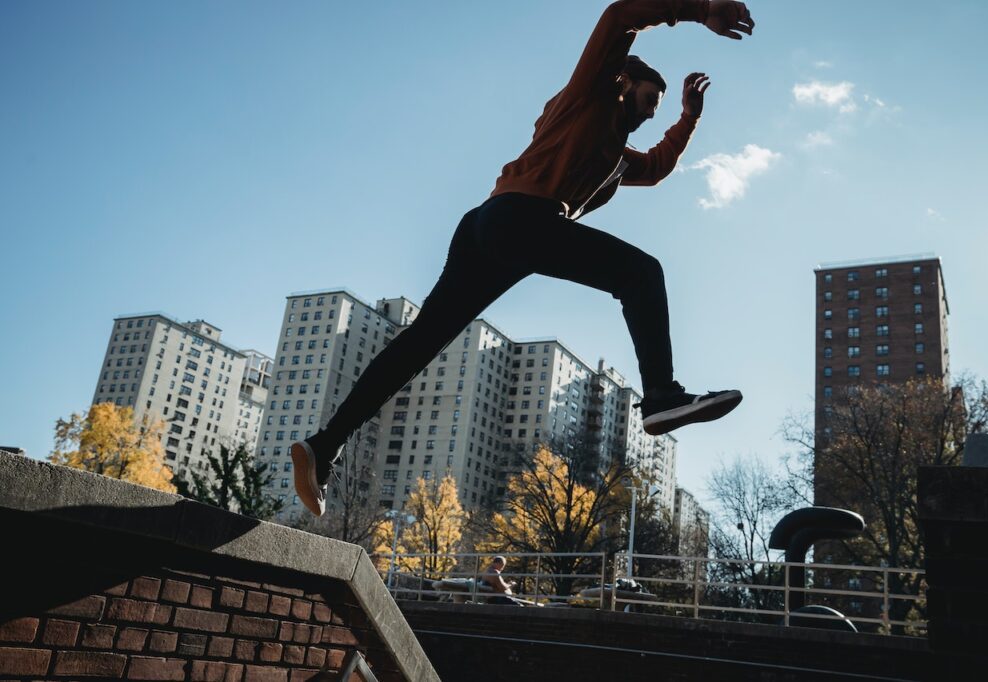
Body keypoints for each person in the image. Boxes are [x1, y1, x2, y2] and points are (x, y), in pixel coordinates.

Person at [292, 0, 755, 516]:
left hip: (490, 230)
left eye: (657, 108)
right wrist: (702, 9)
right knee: (641, 273)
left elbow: (654, 168)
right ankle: (662, 396)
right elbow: (621, 13)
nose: (651, 113)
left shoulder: (615, 158)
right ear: (625, 82)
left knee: (421, 343)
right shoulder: (588, 95)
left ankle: (324, 445)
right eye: (650, 99)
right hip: (518, 218)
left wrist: (687, 120)